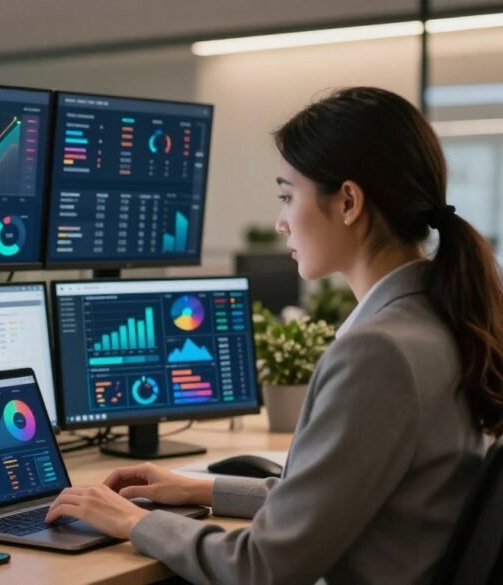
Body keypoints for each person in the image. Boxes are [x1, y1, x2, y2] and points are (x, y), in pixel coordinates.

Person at [45, 87, 503, 584]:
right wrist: (200, 489)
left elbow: (263, 567)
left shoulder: (378, 353)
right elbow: (336, 501)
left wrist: (134, 522)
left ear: (349, 201)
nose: (281, 222)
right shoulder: (443, 319)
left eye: (287, 196)